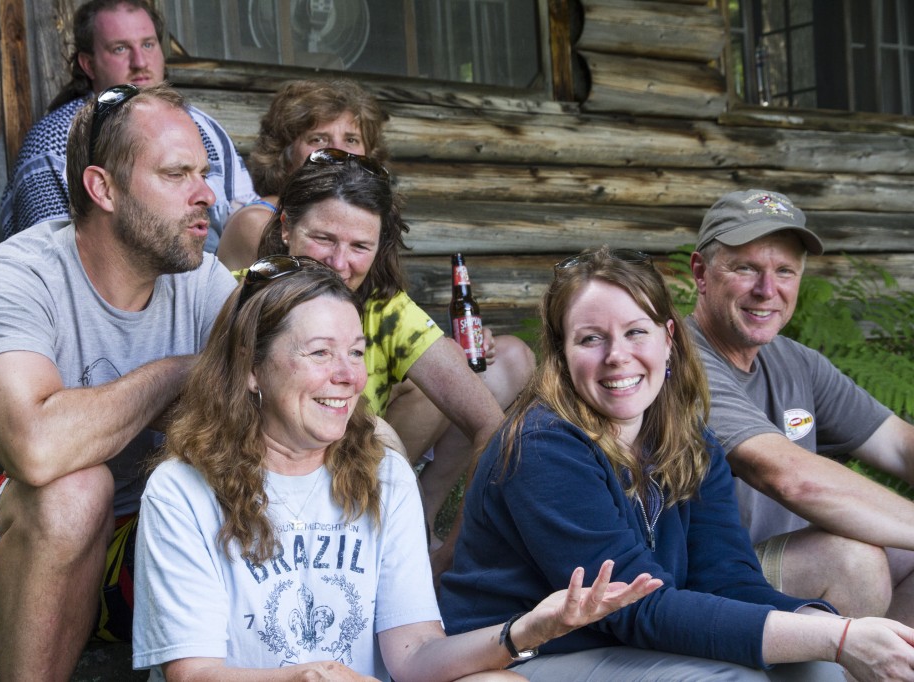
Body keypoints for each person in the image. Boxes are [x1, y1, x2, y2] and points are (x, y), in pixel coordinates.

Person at [132, 255, 662, 681]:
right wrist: (305, 677)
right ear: (252, 368)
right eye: (320, 353)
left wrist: (523, 631)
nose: (348, 376)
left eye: (356, 352)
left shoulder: (381, 473)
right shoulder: (181, 489)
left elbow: (414, 656)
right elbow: (193, 671)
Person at [439, 246, 914, 680]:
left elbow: (727, 578)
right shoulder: (542, 446)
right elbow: (628, 608)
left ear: (668, 338)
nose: (617, 356)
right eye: (590, 339)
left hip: (629, 639)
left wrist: (828, 631)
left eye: (635, 332)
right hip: (533, 654)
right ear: (562, 354)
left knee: (816, 669)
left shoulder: (690, 441)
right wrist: (839, 637)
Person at [0, 83, 234, 680]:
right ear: (102, 187)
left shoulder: (206, 282)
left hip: (131, 551)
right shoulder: (10, 280)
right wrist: (178, 372)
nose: (206, 194)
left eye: (203, 172)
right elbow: (38, 449)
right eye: (178, 173)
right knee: (76, 490)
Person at [252, 150, 534, 561]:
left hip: (353, 493)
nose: (338, 263)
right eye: (323, 239)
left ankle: (422, 528)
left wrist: (450, 557)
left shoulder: (387, 309)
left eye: (359, 246)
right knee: (376, 432)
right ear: (285, 229)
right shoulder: (240, 298)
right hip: (259, 503)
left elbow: (491, 426)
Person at [687, 189, 914, 624]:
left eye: (785, 271)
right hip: (705, 580)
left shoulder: (796, 361)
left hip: (779, 562)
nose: (767, 290)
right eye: (746, 268)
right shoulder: (673, 360)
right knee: (852, 559)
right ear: (701, 272)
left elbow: (901, 447)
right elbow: (791, 479)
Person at [0, 0, 256, 252]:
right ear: (88, 64)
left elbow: (246, 217)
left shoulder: (203, 127)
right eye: (120, 48)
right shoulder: (53, 141)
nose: (140, 62)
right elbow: (49, 258)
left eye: (148, 44)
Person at [216, 78, 387, 272]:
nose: (339, 153)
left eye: (351, 140)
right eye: (319, 139)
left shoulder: (364, 220)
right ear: (284, 152)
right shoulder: (258, 223)